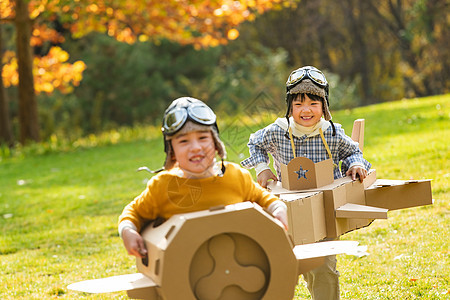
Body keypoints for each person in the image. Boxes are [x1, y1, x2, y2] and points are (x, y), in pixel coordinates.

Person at [240, 66, 371, 300]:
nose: (306, 110)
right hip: (289, 211)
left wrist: (354, 164)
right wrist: (262, 168)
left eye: (313, 103)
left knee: (323, 267)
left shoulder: (332, 133)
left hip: (323, 210)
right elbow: (254, 143)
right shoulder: (278, 131)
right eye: (298, 104)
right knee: (289, 265)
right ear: (290, 106)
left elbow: (353, 152)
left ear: (324, 106)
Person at [118, 96, 288, 258]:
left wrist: (278, 209)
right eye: (183, 141)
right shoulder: (162, 186)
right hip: (185, 275)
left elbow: (264, 198)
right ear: (172, 152)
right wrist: (128, 230)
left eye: (202, 138)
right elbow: (133, 213)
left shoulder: (235, 176)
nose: (195, 147)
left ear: (216, 144)